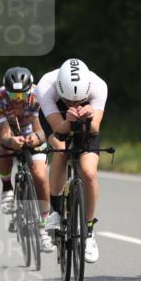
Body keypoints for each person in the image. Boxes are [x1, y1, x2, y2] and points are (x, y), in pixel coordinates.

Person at [39, 59, 108, 263]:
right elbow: (58, 130)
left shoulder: (98, 86)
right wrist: (68, 119)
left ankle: (88, 230)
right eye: (69, 100)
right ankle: (56, 210)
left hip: (86, 124)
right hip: (57, 121)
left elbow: (95, 128)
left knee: (88, 172)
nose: (74, 105)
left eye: (78, 101)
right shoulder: (46, 86)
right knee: (61, 150)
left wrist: (88, 118)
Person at [0, 67, 54, 253]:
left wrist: (37, 138)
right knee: (3, 148)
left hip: (31, 128)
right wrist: (11, 141)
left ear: (29, 91)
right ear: (5, 91)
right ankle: (7, 187)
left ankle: (43, 227)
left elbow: (41, 129)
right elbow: (3, 134)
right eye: (13, 96)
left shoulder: (38, 95)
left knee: (40, 176)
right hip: (5, 128)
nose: (18, 100)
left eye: (22, 96)